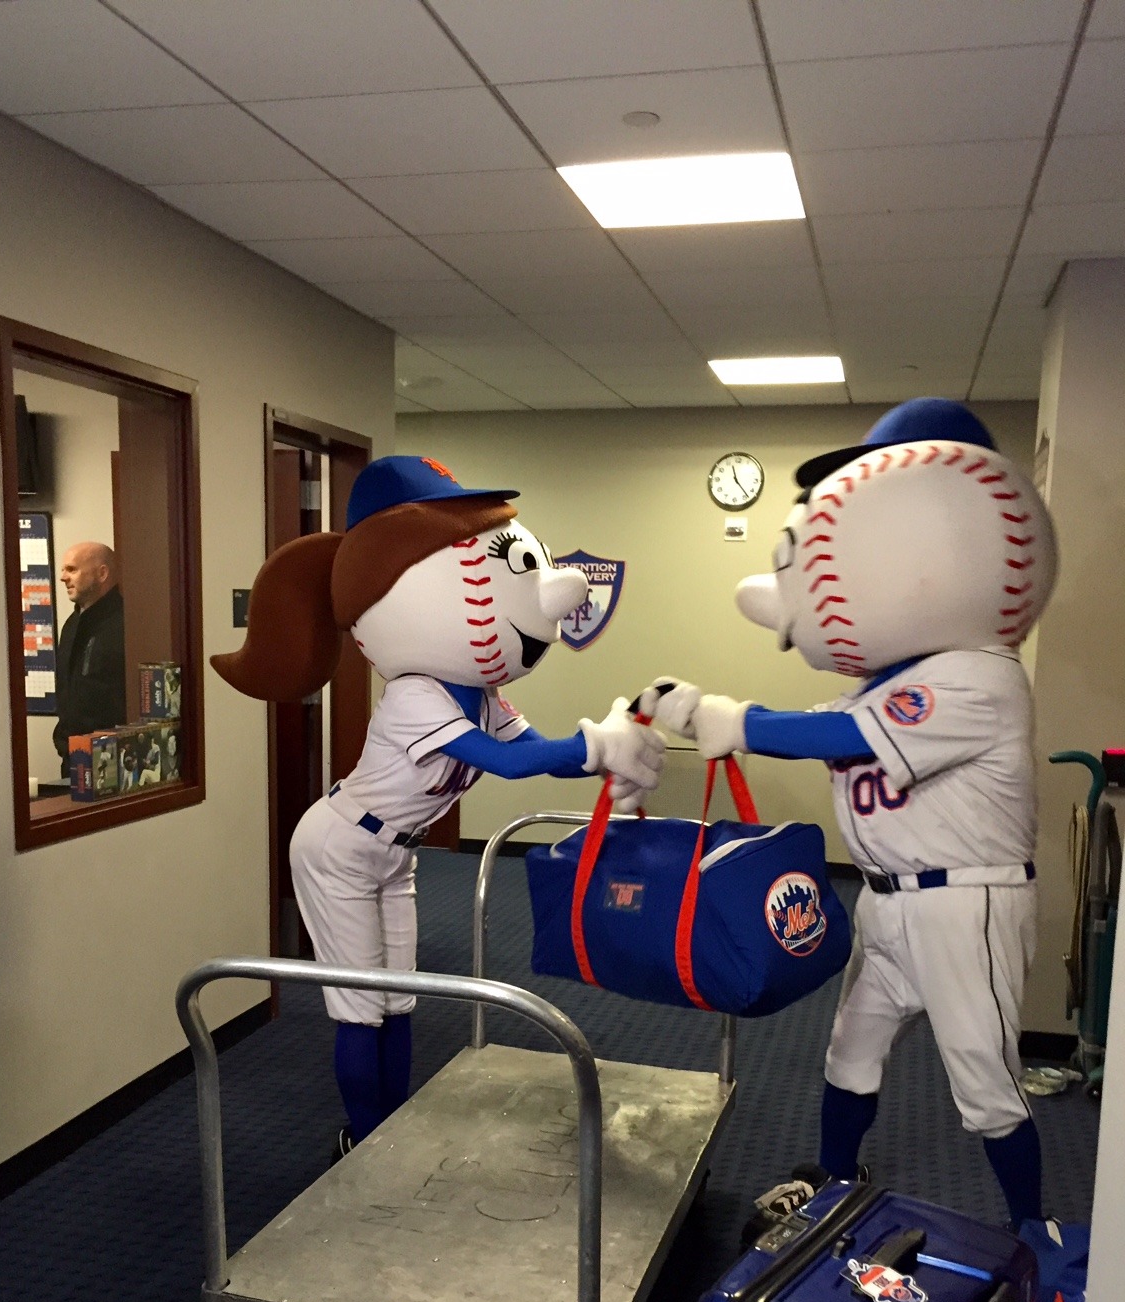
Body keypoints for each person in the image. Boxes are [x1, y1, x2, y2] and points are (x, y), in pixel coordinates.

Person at [644, 399, 1058, 1231]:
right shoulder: (888, 678)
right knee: (850, 1051)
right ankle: (835, 1181)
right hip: (888, 899)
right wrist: (728, 721)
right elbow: (838, 728)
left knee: (983, 1083)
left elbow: (844, 734)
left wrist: (733, 718)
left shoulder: (980, 673)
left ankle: (1034, 1229)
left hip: (963, 903)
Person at [213, 454, 664, 1160]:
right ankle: (361, 1144)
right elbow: (512, 764)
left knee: (400, 998)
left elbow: (537, 746)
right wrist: (592, 745)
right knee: (362, 1012)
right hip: (338, 849)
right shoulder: (415, 694)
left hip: (395, 852)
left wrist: (609, 744)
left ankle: (386, 1128)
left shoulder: (480, 694)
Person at [53, 541, 126, 773]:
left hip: (112, 761)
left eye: (72, 569)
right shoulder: (72, 625)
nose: (63, 577)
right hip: (72, 758)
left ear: (102, 573)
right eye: (64, 570)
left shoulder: (125, 624)